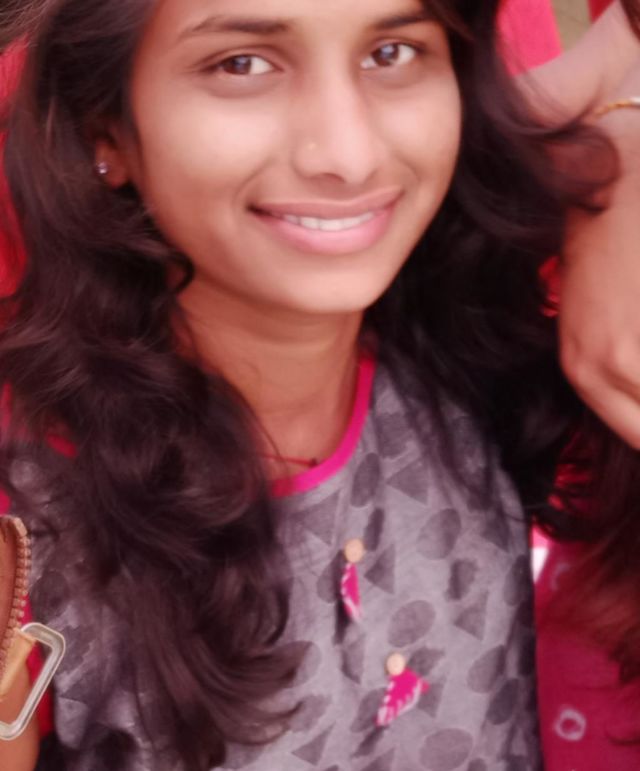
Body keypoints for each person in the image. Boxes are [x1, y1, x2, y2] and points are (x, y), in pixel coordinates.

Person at [0, 0, 635, 769]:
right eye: (241, 65)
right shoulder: (27, 527)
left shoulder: (492, 342)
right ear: (105, 132)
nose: (348, 154)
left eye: (392, 52)